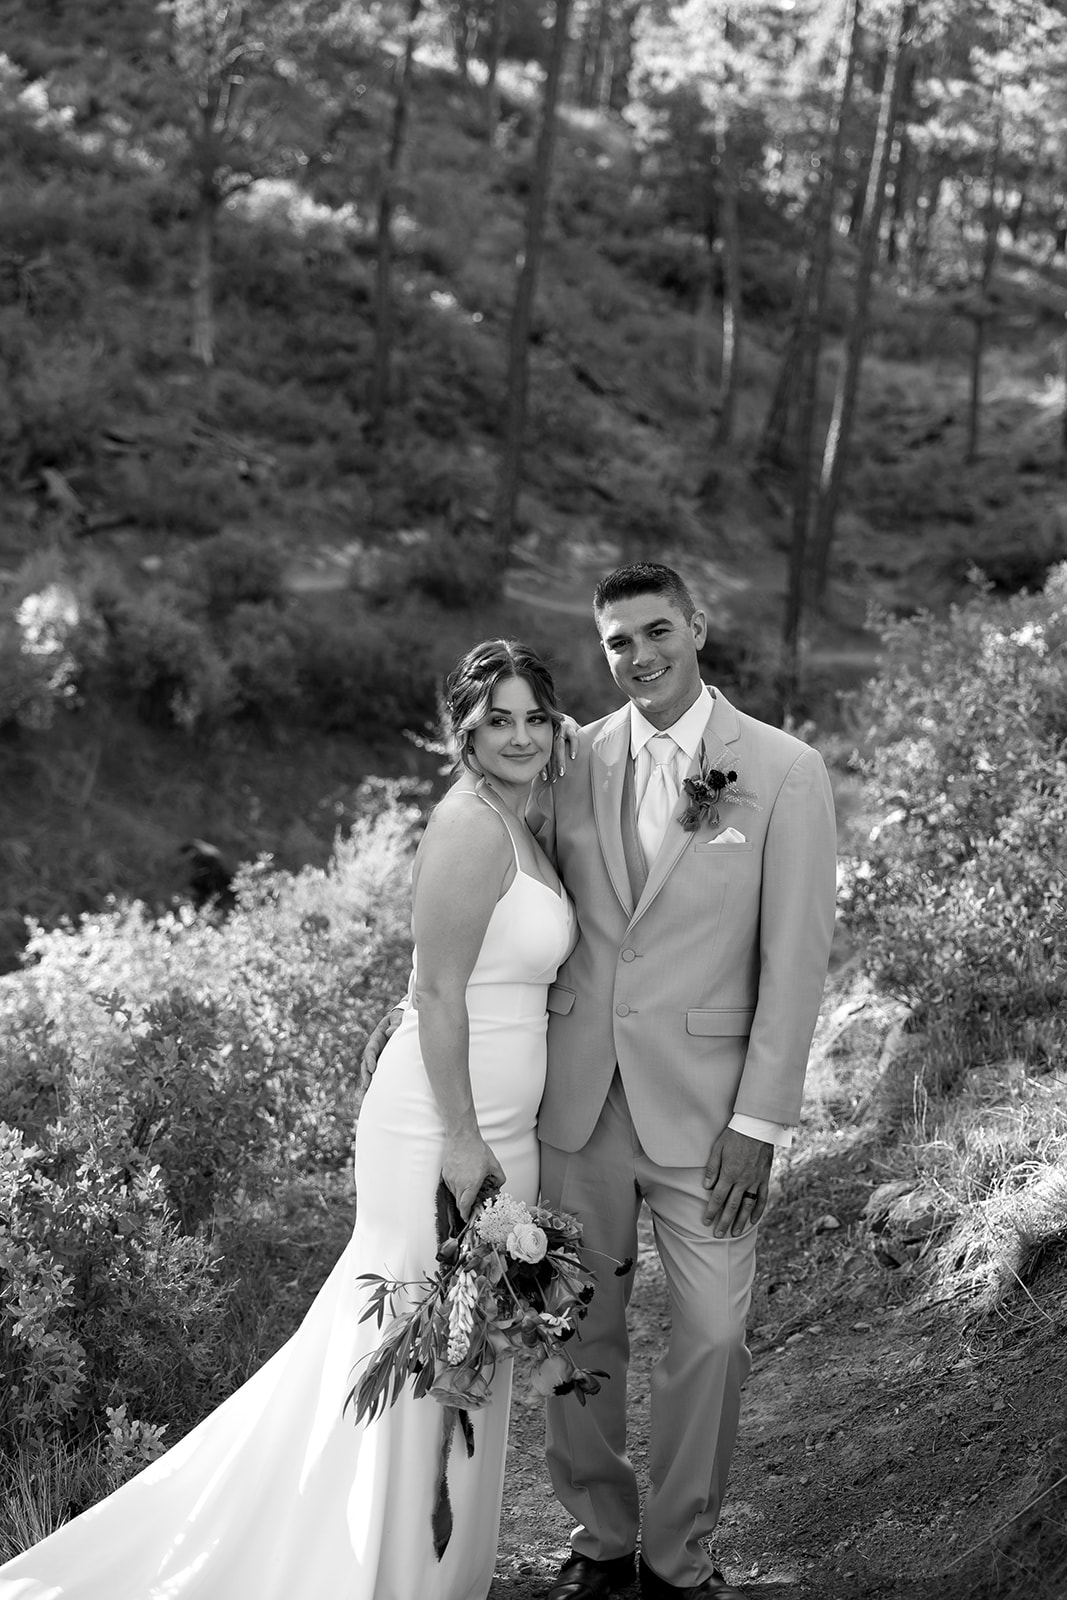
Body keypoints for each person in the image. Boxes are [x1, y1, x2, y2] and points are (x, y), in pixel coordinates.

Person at [0, 638, 576, 1600]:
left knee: (469, 1338)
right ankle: (367, 1567)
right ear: (463, 734)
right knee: (408, 1334)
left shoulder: (524, 824)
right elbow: (439, 998)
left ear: (552, 728)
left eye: (532, 719)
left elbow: (447, 976)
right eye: (496, 721)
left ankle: (436, 1569)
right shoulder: (471, 826)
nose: (517, 737)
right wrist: (466, 1143)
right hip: (444, 1126)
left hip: (498, 1126)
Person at [361, 561, 838, 1600]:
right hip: (574, 1105)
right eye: (618, 642)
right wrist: (418, 1023)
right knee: (573, 1332)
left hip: (713, 1112)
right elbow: (491, 894)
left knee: (711, 1334)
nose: (640, 656)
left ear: (697, 627)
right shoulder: (573, 757)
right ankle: (601, 1536)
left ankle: (677, 1557)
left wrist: (758, 1119)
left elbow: (795, 964)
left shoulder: (783, 770)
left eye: (656, 631)